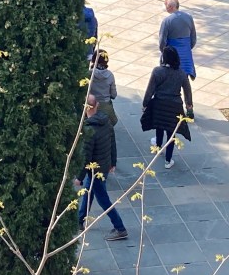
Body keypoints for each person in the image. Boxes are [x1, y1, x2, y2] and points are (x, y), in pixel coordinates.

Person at [75, 95, 128, 241]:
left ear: (86, 108)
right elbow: (112, 142)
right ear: (97, 105)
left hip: (95, 170)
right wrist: (113, 162)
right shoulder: (106, 121)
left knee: (103, 199)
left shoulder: (89, 130)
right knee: (88, 192)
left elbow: (86, 156)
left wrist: (79, 177)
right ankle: (80, 220)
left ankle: (120, 228)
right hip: (103, 165)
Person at [141, 46, 193, 170]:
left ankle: (158, 147)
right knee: (171, 134)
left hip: (159, 104)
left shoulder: (157, 71)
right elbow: (187, 90)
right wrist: (189, 104)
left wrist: (145, 103)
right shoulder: (181, 73)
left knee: (159, 126)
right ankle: (168, 160)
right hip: (175, 107)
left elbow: (150, 90)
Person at [158, 0, 197, 79]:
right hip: (186, 57)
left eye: (165, 4)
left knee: (171, 80)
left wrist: (164, 53)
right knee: (184, 80)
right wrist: (186, 48)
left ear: (171, 7)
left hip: (172, 57)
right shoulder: (188, 17)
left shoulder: (167, 21)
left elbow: (162, 42)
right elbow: (193, 39)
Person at [90, 50, 118, 127]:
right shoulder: (110, 75)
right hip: (105, 104)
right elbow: (114, 94)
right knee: (112, 121)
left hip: (90, 104)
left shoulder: (89, 73)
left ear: (93, 60)